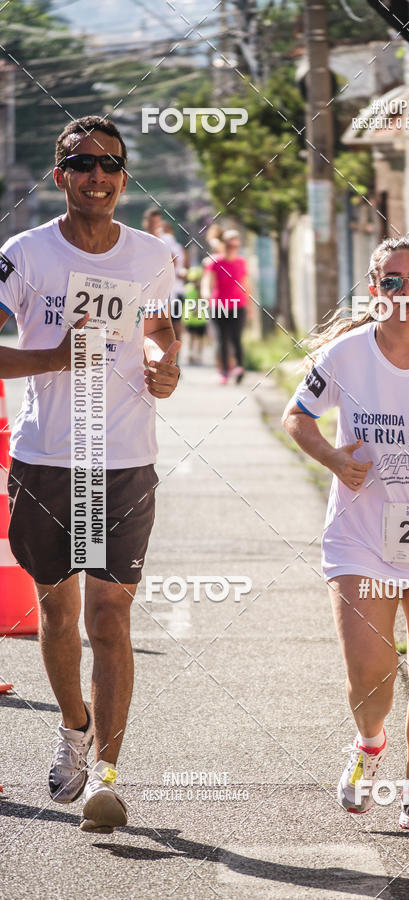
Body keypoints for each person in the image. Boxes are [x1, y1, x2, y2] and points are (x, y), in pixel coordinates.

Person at [0, 115, 180, 834]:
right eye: (82, 164)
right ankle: (72, 728)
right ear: (61, 176)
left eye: (109, 164)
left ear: (124, 177)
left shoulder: (153, 255)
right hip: (46, 460)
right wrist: (53, 358)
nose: (96, 176)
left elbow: (164, 326)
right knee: (58, 614)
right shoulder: (24, 255)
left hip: (127, 460)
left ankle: (106, 771)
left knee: (112, 616)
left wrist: (167, 365)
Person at [282, 237, 409, 834]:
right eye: (392, 282)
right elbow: (296, 415)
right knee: (371, 671)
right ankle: (369, 743)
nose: (405, 293)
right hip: (360, 534)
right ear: (374, 290)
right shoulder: (347, 356)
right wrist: (331, 457)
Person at [205, 229, 249, 385]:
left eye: (235, 244)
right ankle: (224, 371)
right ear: (224, 244)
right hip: (219, 306)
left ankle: (239, 368)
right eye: (229, 244)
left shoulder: (241, 262)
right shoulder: (214, 262)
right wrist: (206, 298)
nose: (232, 247)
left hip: (239, 305)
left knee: (236, 338)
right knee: (222, 339)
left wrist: (250, 308)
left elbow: (245, 285)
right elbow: (207, 285)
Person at [142, 209, 187, 342]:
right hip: (145, 290)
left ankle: (174, 358)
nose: (154, 225)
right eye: (151, 222)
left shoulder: (166, 241)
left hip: (167, 291)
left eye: (157, 222)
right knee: (145, 326)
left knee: (171, 324)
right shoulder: (140, 239)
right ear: (145, 223)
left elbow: (175, 260)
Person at [182, 266, 208, 365]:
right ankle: (191, 355)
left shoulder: (201, 290)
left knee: (199, 338)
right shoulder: (187, 288)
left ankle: (197, 356)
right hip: (191, 318)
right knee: (192, 337)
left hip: (200, 318)